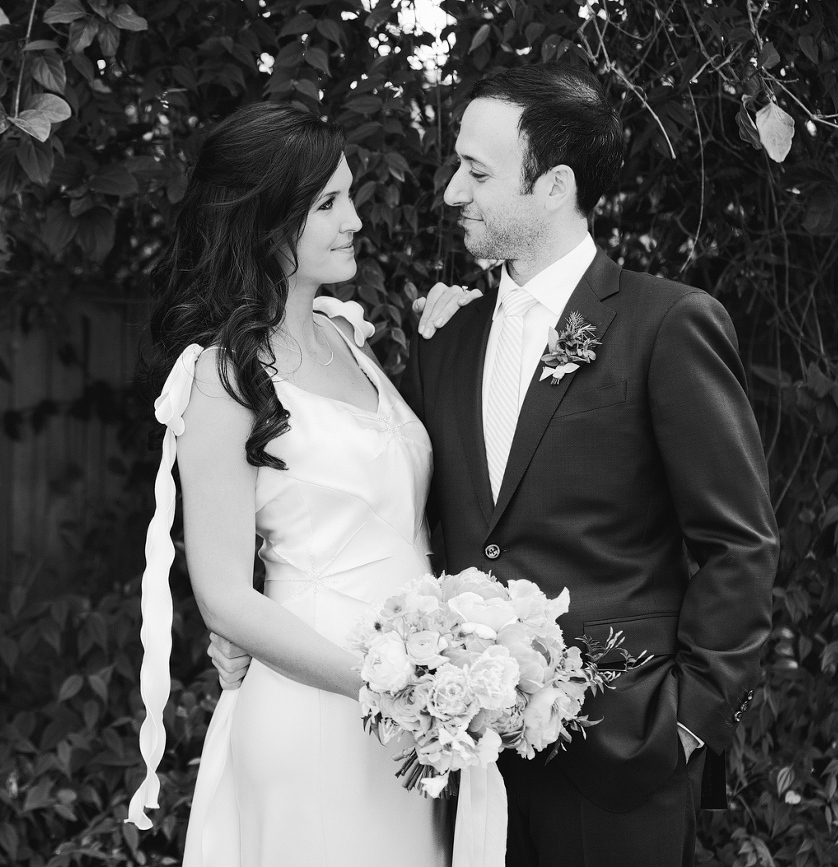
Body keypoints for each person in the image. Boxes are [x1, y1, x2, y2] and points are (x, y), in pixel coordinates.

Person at [213, 64, 779, 867]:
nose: (450, 191)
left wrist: (685, 722)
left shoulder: (668, 325)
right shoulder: (447, 337)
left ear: (551, 187)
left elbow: (740, 543)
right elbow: (390, 508)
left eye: (476, 172)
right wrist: (252, 607)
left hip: (622, 758)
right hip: (461, 766)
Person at [126, 101, 458, 866]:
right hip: (319, 706)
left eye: (348, 196)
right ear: (267, 222)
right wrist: (380, 688)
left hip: (419, 714)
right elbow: (224, 594)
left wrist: (438, 687)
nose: (354, 221)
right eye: (328, 204)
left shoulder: (350, 337)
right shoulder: (220, 379)